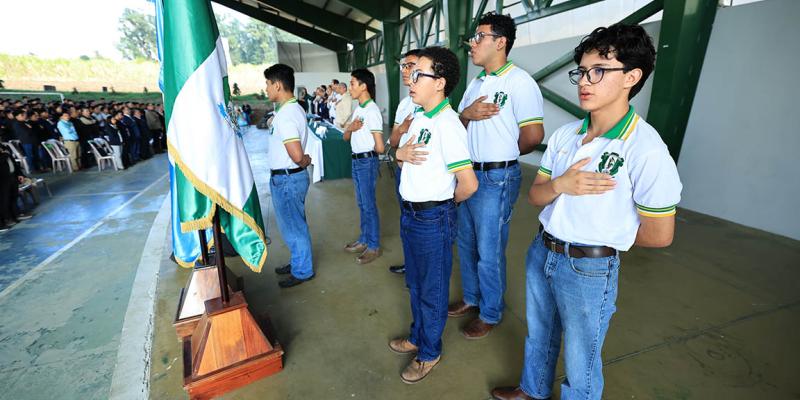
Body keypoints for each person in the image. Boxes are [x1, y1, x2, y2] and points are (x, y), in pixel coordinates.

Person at [491, 24, 683, 400]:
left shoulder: (645, 149)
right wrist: (561, 185)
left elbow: (660, 234)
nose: (584, 81)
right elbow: (536, 196)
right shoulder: (566, 136)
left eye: (598, 71)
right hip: (542, 251)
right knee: (539, 333)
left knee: (582, 360)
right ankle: (532, 389)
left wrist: (602, 234)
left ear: (631, 77)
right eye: (581, 71)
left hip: (589, 267)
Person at [450, 12, 545, 339]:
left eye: (479, 37)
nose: (472, 44)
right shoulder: (476, 83)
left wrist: (501, 156)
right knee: (466, 242)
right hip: (468, 175)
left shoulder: (519, 82)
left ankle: (490, 312)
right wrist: (466, 114)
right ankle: (472, 297)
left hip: (496, 178)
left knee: (489, 250)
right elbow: (457, 127)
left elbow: (533, 136)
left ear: (501, 42)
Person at [390, 46, 478, 384]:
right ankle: (418, 336)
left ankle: (429, 352)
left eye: (418, 74)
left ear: (439, 82)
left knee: (432, 290)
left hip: (431, 218)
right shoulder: (420, 118)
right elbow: (403, 159)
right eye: (411, 73)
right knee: (415, 283)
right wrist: (399, 154)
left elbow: (468, 184)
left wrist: (443, 206)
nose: (411, 80)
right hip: (411, 214)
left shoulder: (448, 124)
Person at [263, 64, 315, 288]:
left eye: (268, 84)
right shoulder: (289, 110)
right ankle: (298, 261)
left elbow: (296, 155)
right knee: (292, 225)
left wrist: (305, 161)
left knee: (294, 227)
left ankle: (303, 270)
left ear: (277, 85)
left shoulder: (287, 114)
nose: (266, 89)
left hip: (287, 179)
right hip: (288, 177)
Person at [386, 48, 424, 274]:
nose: (404, 70)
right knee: (407, 220)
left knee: (422, 224)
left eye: (409, 65)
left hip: (422, 173)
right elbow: (393, 140)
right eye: (403, 66)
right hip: (404, 171)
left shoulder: (430, 102)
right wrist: (402, 129)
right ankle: (410, 265)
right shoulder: (404, 104)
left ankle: (419, 270)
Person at [342, 68, 384, 264]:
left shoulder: (372, 111)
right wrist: (351, 128)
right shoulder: (359, 109)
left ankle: (373, 245)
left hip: (367, 162)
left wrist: (371, 150)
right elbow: (345, 137)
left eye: (352, 83)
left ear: (363, 86)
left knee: (368, 205)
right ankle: (365, 239)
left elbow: (380, 147)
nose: (350, 88)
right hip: (356, 160)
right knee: (362, 204)